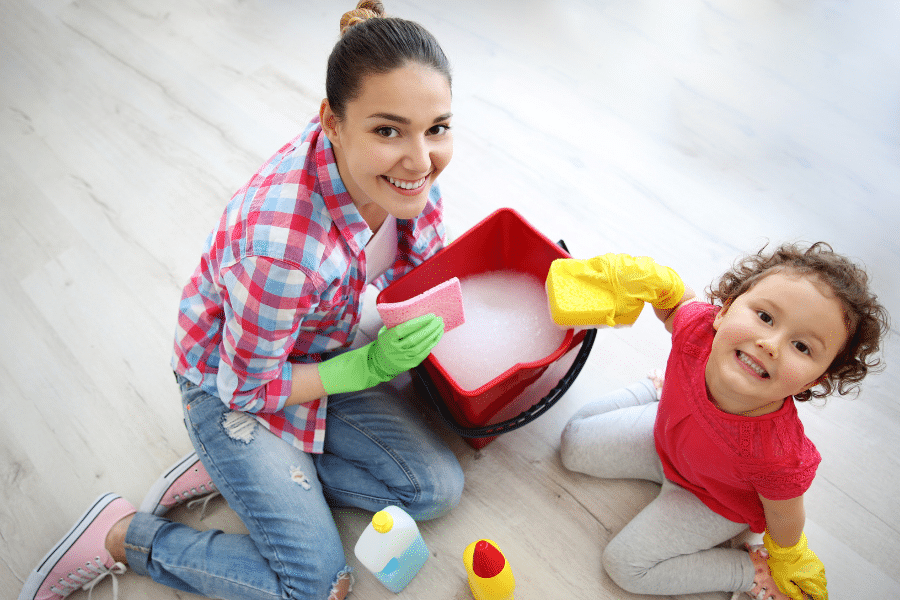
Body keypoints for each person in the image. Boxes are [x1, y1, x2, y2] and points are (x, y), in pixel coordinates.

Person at [19, 2, 464, 599]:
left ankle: (242, 475)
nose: (420, 159)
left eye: (436, 127)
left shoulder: (410, 181)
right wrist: (369, 366)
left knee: (436, 488)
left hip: (313, 350)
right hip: (233, 383)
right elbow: (248, 387)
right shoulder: (284, 249)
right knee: (317, 588)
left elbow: (418, 269)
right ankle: (121, 535)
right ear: (331, 121)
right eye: (388, 129)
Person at [555, 243, 888, 600]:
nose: (770, 343)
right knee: (573, 446)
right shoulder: (698, 331)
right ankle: (660, 390)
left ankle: (751, 572)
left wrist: (787, 556)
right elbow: (675, 307)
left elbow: (785, 514)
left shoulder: (778, 454)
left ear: (812, 382)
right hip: (663, 442)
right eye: (765, 317)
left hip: (713, 501)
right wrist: (658, 284)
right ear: (724, 311)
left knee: (625, 566)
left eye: (802, 347)